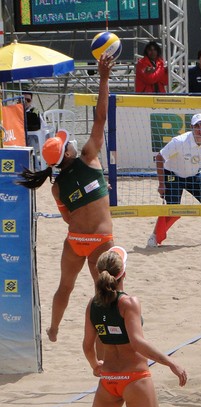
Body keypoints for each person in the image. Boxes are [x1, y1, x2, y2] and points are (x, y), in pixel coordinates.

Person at [16, 55, 116, 342]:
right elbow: (101, 116)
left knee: (65, 287)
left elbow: (68, 218)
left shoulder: (56, 185)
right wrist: (104, 77)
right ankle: (103, 341)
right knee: (106, 293)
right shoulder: (89, 157)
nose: (70, 141)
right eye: (66, 143)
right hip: (99, 240)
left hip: (75, 241)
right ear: (68, 154)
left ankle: (54, 328)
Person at [65, 246, 187, 407]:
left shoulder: (92, 305)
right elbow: (137, 343)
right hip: (135, 379)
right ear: (123, 274)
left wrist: (95, 366)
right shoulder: (128, 303)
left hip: (108, 381)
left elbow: (86, 345)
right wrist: (170, 362)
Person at [146, 113, 201, 247]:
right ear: (191, 127)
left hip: (193, 175)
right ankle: (154, 236)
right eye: (197, 126)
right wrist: (161, 184)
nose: (200, 129)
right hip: (173, 175)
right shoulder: (179, 141)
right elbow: (159, 158)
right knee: (172, 210)